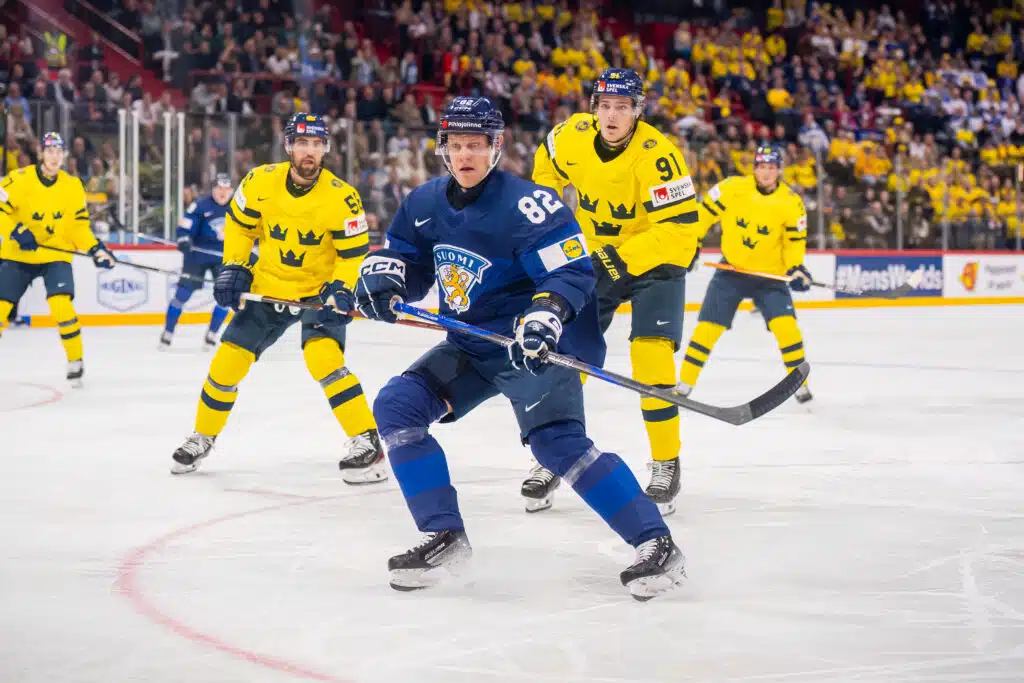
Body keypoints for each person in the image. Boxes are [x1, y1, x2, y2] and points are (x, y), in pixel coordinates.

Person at [354, 96, 685, 601]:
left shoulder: (529, 205)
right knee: (397, 406)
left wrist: (547, 313)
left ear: (496, 147)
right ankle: (443, 534)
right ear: (443, 148)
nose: (466, 156)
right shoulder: (423, 204)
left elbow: (570, 270)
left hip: (532, 347)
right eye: (457, 145)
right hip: (471, 344)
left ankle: (656, 543)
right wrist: (387, 280)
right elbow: (410, 260)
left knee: (556, 444)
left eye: (477, 145)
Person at [169, 114, 385, 483]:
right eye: (302, 144)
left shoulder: (342, 197)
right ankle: (202, 436)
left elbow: (353, 255)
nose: (309, 152)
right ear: (288, 146)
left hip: (318, 294)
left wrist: (341, 288)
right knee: (226, 362)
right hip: (268, 287)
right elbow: (239, 225)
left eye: (317, 145)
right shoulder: (259, 181)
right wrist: (234, 265)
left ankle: (367, 442)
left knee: (323, 358)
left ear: (326, 149)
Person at [526, 67, 702, 515]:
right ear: (593, 109)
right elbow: (545, 168)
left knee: (651, 357)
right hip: (594, 258)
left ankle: (665, 462)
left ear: (638, 112)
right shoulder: (570, 136)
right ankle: (554, 454)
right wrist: (551, 222)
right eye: (604, 106)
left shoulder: (658, 155)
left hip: (654, 264)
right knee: (568, 357)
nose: (612, 115)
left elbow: (681, 228)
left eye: (622, 107)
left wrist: (617, 259)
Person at [677, 144, 813, 402]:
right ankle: (683, 385)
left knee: (787, 329)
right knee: (707, 329)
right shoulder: (732, 188)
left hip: (770, 277)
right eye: (761, 167)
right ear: (754, 169)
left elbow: (794, 242)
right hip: (731, 272)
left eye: (771, 168)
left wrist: (796, 267)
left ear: (778, 171)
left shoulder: (791, 203)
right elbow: (703, 214)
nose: (766, 173)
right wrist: (692, 242)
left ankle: (801, 386)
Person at [0, 132, 115, 386]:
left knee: (62, 305)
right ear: (41, 153)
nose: (54, 156)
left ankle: (76, 361)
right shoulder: (18, 179)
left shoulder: (72, 185)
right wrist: (16, 231)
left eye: (58, 151)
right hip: (18, 253)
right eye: (49, 150)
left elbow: (78, 227)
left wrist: (95, 248)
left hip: (56, 253)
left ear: (64, 155)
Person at [159, 173, 233, 350]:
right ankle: (168, 332)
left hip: (223, 257)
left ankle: (212, 334)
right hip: (197, 256)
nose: (223, 193)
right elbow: (185, 226)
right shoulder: (200, 205)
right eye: (219, 188)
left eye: (227, 189)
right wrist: (184, 239)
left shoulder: (238, 208)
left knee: (226, 297)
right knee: (182, 294)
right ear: (214, 189)